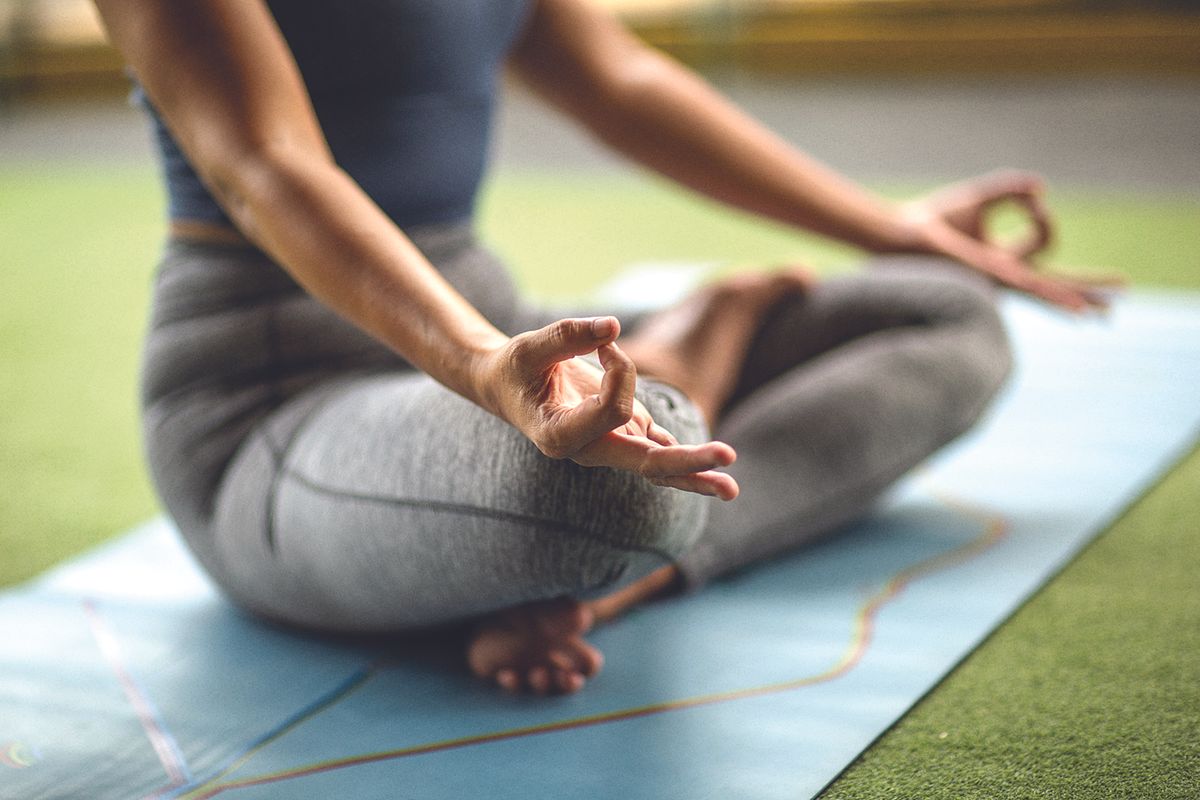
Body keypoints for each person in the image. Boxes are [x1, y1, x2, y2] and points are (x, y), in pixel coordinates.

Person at [93, 0, 1109, 696]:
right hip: (278, 398)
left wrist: (896, 230)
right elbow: (266, 166)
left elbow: (620, 79)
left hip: (487, 327)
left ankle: (618, 574)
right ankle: (682, 371)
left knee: (944, 314)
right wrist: (486, 368)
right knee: (614, 490)